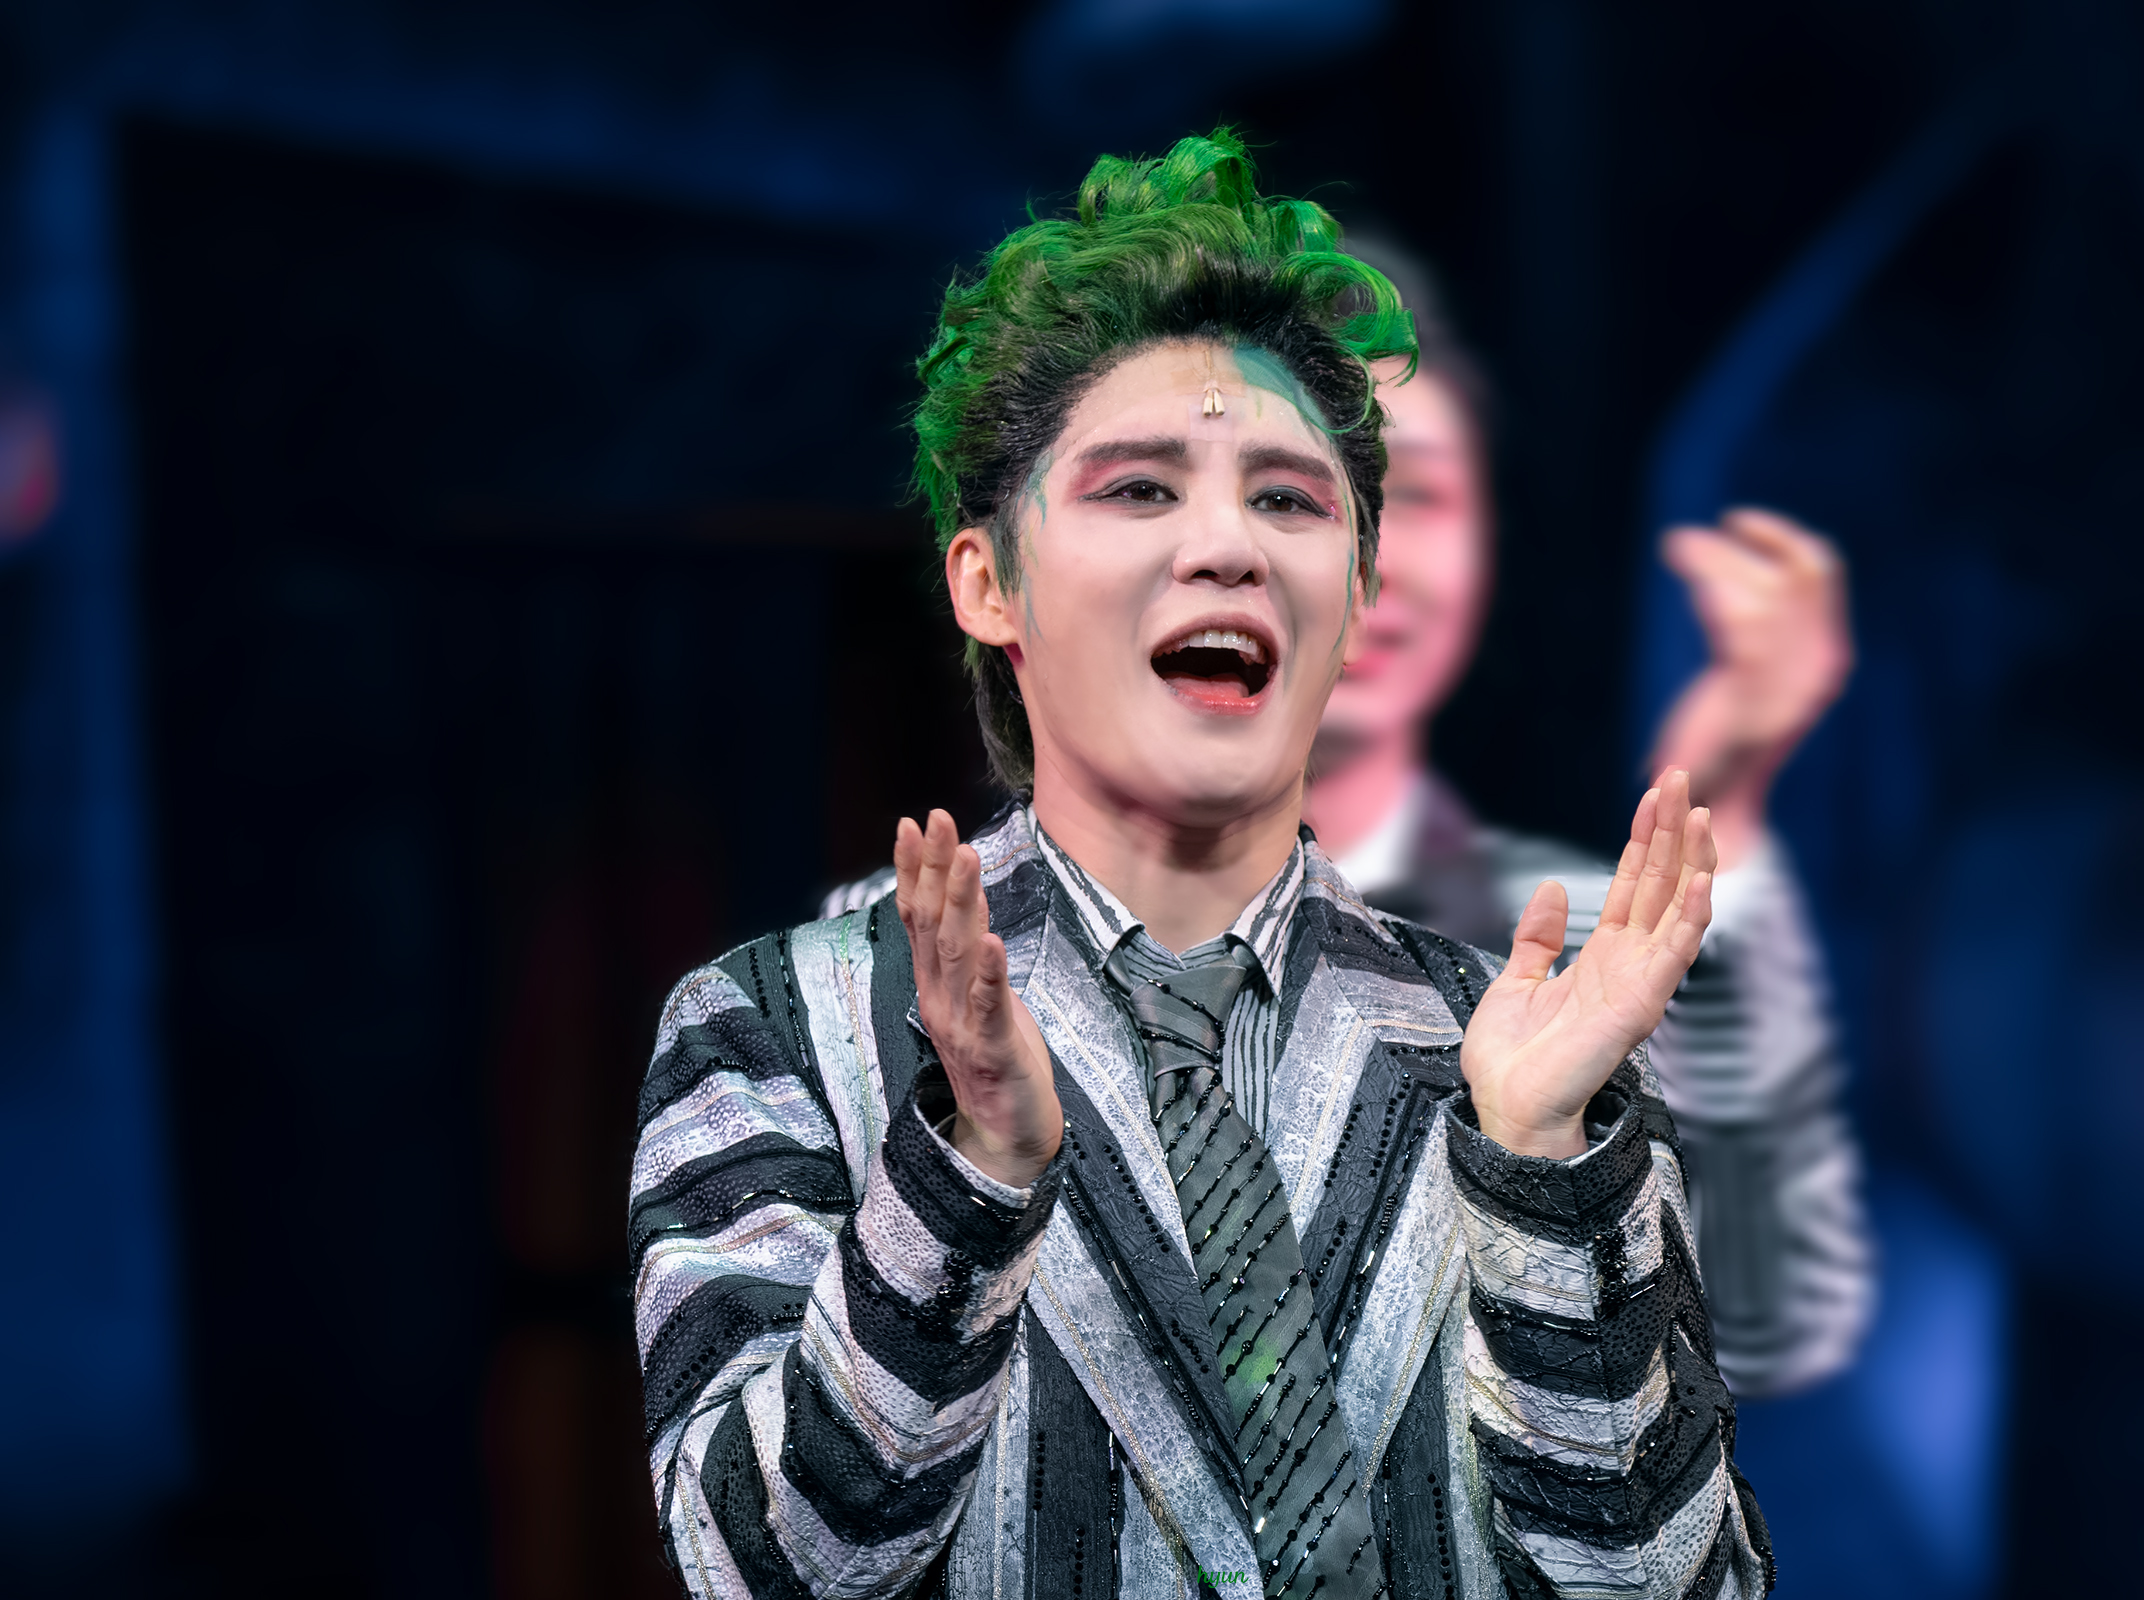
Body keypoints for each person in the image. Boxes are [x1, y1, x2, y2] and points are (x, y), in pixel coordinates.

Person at [634, 132, 1771, 1599]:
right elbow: (757, 1573)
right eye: (1141, 490)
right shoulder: (776, 1033)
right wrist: (967, 1176)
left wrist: (1542, 1179)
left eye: (1290, 500)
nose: (1229, 544)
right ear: (987, 581)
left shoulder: (1532, 1061)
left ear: (1357, 594)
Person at [1302, 245, 1872, 1397]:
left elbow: (1768, 1319)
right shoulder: (1001, 943)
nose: (1375, 559)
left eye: (1420, 494)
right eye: (1301, 497)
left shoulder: (1567, 936)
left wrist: (1719, 808)